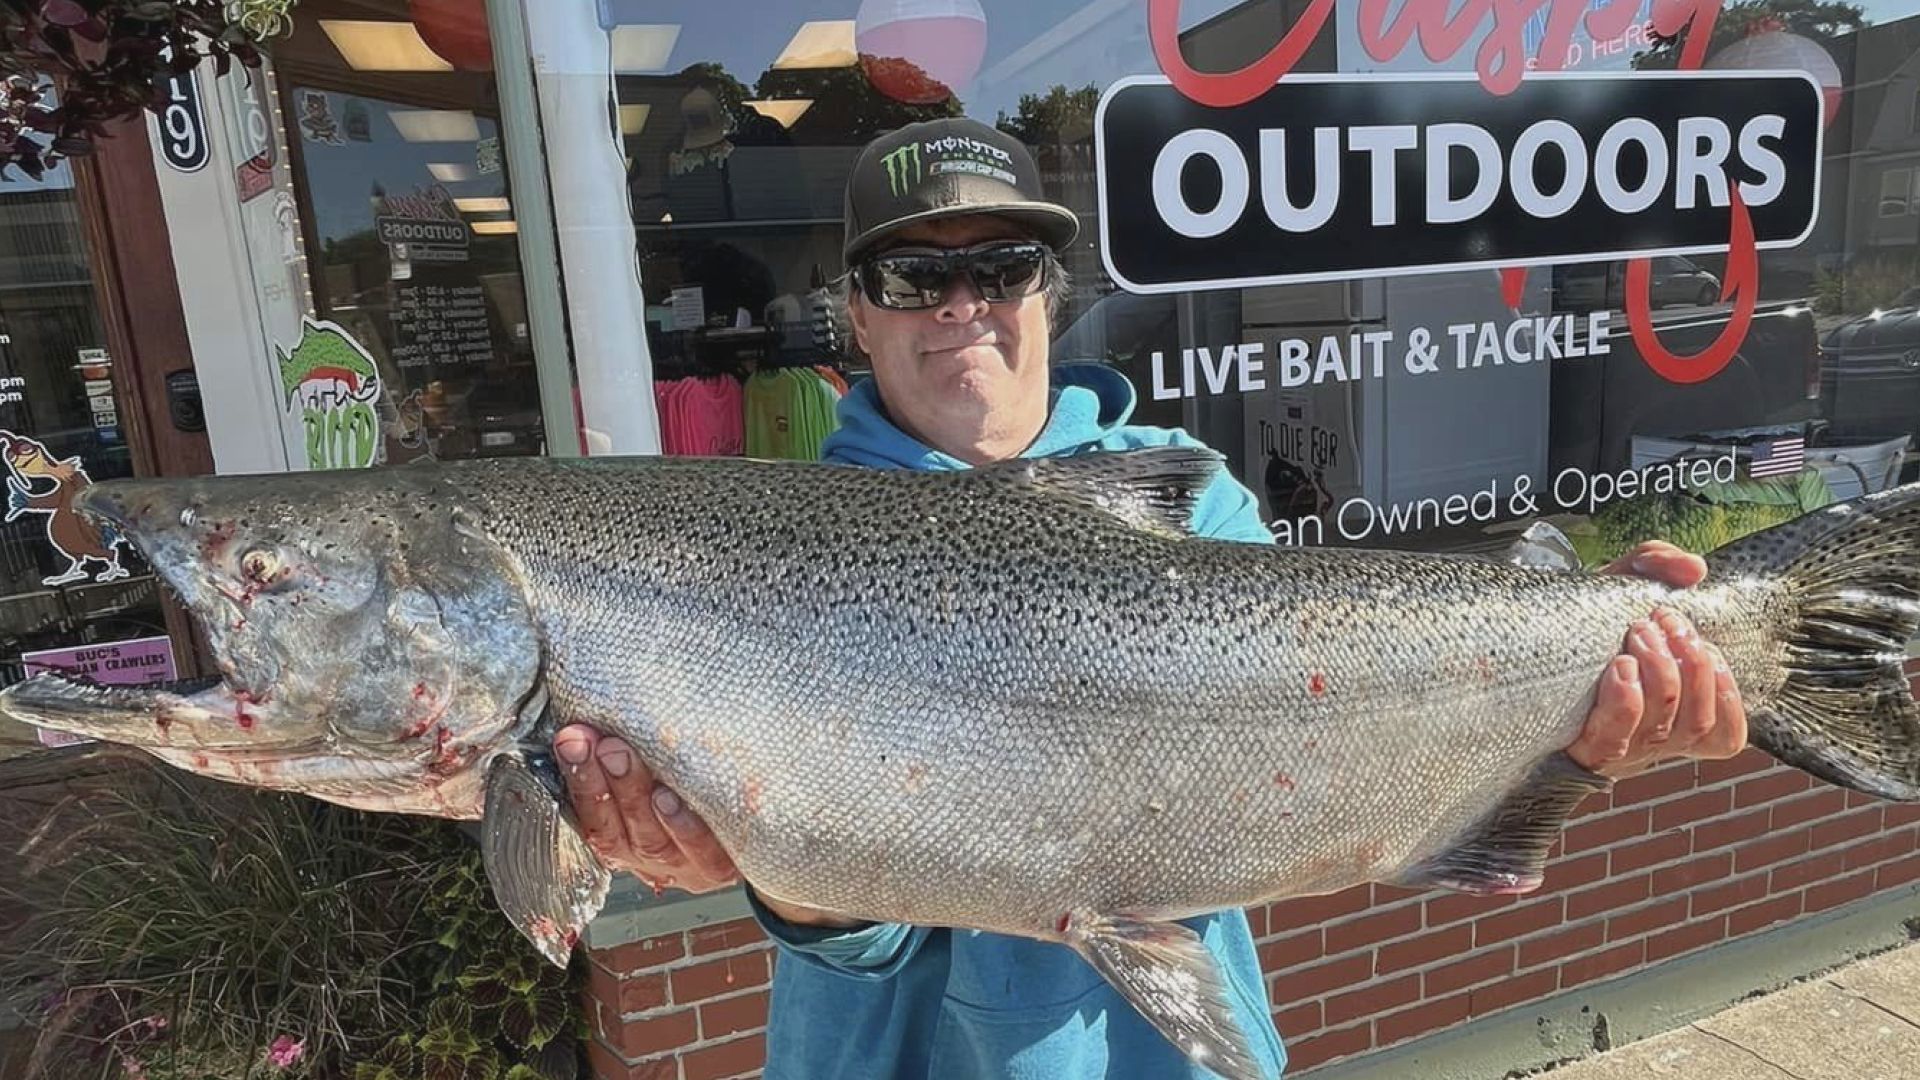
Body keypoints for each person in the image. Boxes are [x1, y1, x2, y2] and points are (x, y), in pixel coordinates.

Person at [553, 117, 1750, 1079]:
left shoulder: (1199, 499)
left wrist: (1581, 733)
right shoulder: (763, 555)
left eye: (1000, 265)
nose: (962, 302)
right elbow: (853, 927)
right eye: (915, 273)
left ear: (1049, 294)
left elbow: (1331, 760)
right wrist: (778, 876)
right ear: (857, 312)